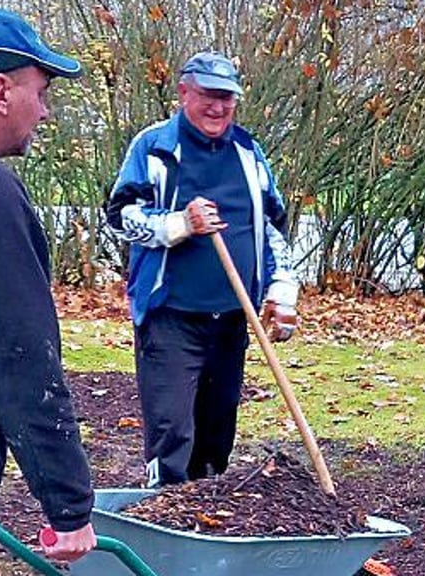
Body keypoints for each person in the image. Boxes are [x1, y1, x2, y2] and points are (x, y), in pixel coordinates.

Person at [106, 51, 299, 488]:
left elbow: (272, 227)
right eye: (209, 95)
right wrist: (178, 224)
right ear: (183, 93)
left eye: (227, 97)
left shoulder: (249, 152)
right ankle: (163, 518)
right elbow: (119, 216)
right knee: (173, 430)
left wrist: (282, 291)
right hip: (171, 315)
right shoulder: (154, 147)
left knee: (217, 433)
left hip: (233, 317)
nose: (218, 107)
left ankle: (207, 523)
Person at [0, 7, 97, 563]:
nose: (46, 111)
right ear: (0, 91)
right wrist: (69, 507)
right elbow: (20, 356)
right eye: (43, 90)